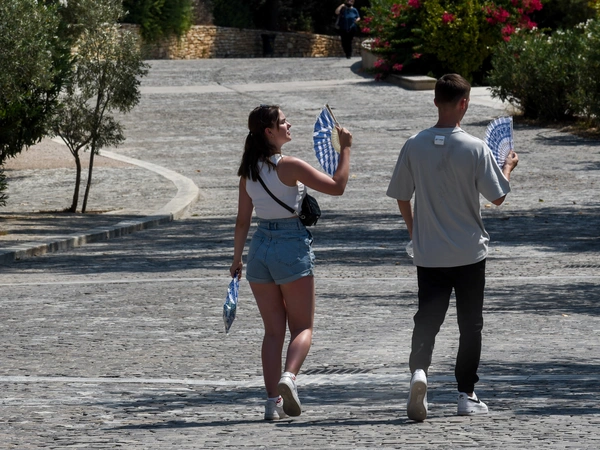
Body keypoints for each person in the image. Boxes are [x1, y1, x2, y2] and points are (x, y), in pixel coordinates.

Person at [386, 74, 519, 421]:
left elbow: (401, 195)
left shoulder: (414, 144)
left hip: (429, 251)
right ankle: (466, 394)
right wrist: (507, 166)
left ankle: (419, 372)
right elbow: (498, 197)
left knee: (427, 318)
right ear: (465, 103)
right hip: (469, 251)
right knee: (470, 324)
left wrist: (415, 230)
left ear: (435, 102)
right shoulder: (475, 147)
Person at [230, 105, 352, 420]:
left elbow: (243, 221)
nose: (289, 125)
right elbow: (337, 187)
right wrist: (345, 149)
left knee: (273, 332)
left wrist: (237, 259)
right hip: (290, 245)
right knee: (303, 326)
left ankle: (272, 404)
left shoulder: (248, 171)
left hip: (259, 248)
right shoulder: (291, 166)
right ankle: (290, 377)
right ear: (269, 132)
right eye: (283, 122)